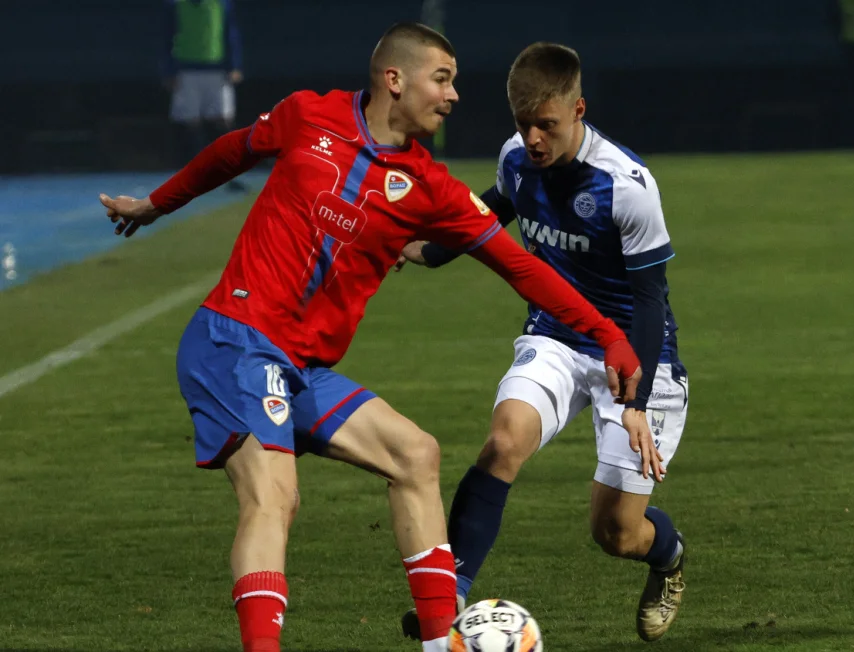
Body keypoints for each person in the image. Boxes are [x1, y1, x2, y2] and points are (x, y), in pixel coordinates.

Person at [100, 24, 642, 652]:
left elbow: (521, 267)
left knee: (416, 454)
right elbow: (234, 150)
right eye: (442, 79)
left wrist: (606, 334)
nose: (454, 95)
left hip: (298, 367)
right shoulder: (309, 114)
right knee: (275, 496)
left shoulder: (431, 190)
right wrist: (158, 204)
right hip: (234, 340)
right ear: (395, 79)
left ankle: (442, 644)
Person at [400, 42, 688, 642]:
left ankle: (667, 556)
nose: (533, 138)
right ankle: (448, 594)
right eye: (523, 124)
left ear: (578, 109)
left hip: (635, 355)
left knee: (616, 533)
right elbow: (490, 213)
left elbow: (648, 301)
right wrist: (424, 252)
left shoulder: (627, 186)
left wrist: (635, 403)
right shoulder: (515, 157)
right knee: (502, 443)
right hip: (556, 336)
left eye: (547, 125)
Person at [162, 0, 245, 182]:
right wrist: (169, 71)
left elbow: (230, 33)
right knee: (190, 119)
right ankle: (197, 170)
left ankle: (229, 169)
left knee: (223, 118)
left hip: (217, 68)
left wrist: (235, 65)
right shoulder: (175, 5)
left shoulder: (221, 4)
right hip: (186, 70)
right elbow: (167, 37)